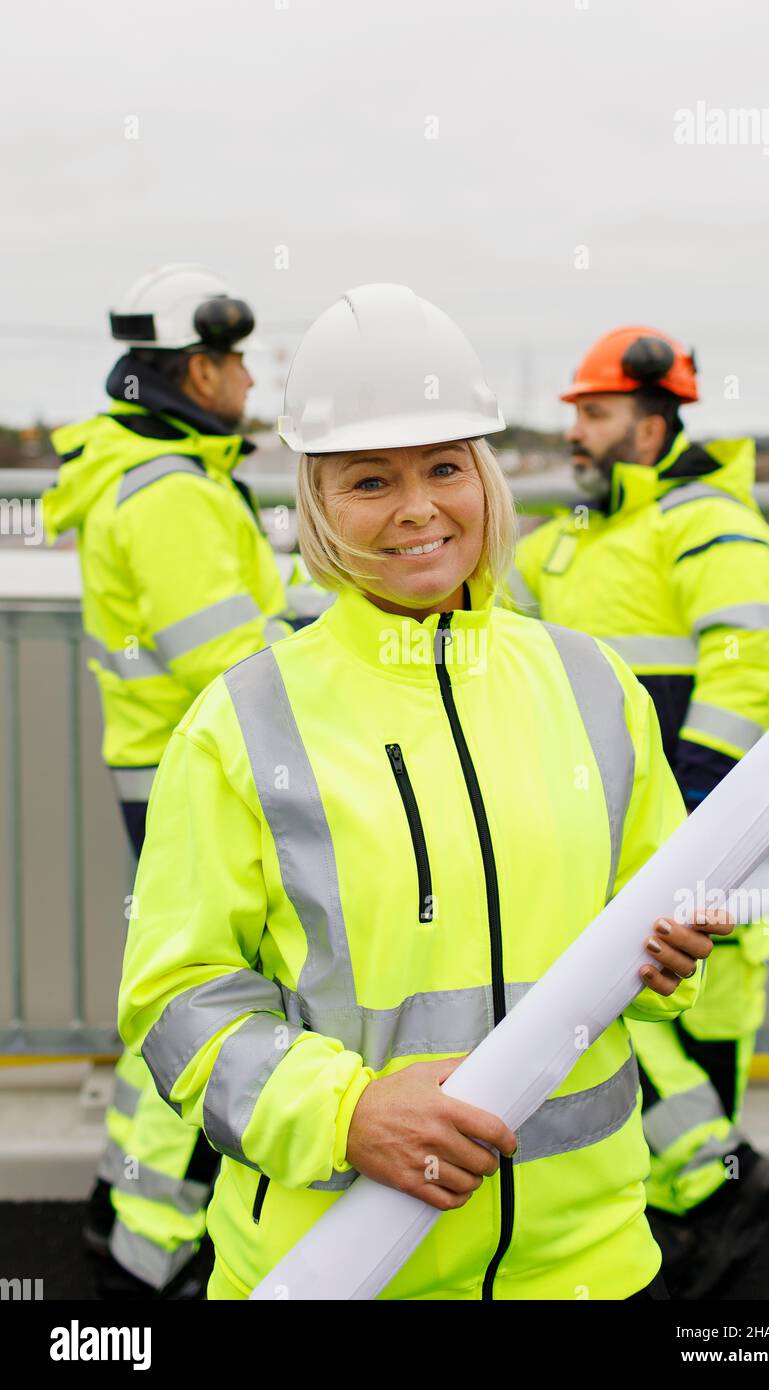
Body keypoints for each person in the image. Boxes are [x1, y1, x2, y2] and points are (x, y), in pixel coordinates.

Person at [117, 284, 731, 1302]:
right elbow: (177, 1001)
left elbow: (657, 907)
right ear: (317, 505)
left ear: (485, 479)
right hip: (336, 1266)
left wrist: (678, 956)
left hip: (585, 1267)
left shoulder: (590, 683)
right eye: (368, 479)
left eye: (445, 467)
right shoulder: (245, 719)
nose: (417, 507)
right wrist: (343, 1112)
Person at [42, 263, 329, 1299]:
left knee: (188, 997)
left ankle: (130, 1206)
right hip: (202, 778)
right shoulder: (167, 493)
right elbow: (230, 664)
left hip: (181, 768)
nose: (250, 379)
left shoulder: (181, 474)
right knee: (205, 1009)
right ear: (192, 371)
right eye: (236, 361)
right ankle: (152, 1244)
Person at [507, 325, 769, 1298]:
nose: (576, 436)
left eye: (593, 415)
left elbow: (748, 667)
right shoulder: (569, 540)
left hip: (713, 863)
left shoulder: (710, 521)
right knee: (629, 1043)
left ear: (652, 416)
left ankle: (712, 1221)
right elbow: (480, 617)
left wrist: (684, 821)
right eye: (575, 417)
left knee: (698, 1059)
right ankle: (706, 1218)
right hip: (612, 854)